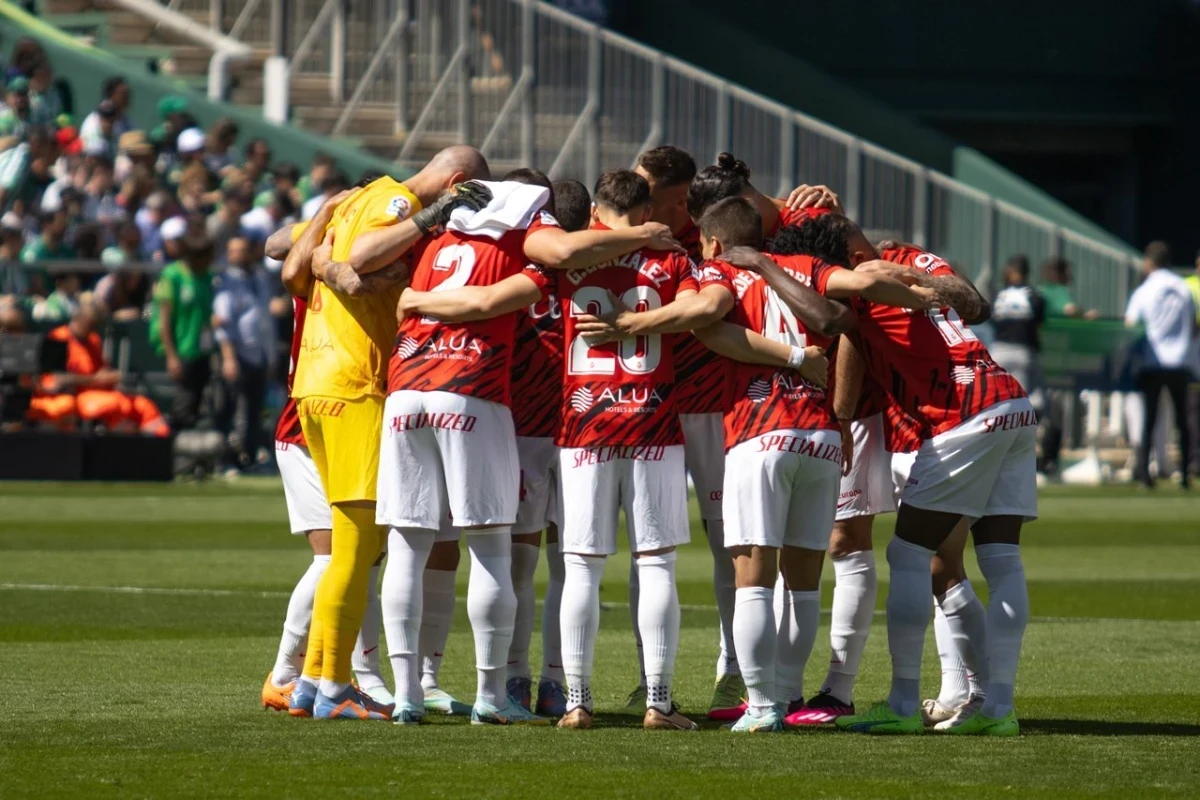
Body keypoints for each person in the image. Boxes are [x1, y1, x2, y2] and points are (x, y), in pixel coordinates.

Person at [379, 167, 685, 727]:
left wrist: (413, 297)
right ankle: (513, 691)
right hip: (527, 410)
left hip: (416, 393)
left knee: (411, 546)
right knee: (523, 555)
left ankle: (410, 693)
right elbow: (515, 284)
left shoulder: (437, 243)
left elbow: (358, 262)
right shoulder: (543, 262)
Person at [278, 145, 492, 722]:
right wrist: (427, 218)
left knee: (348, 549)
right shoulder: (398, 201)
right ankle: (335, 687)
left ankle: (311, 681)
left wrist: (334, 261)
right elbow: (365, 257)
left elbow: (291, 258)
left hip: (314, 385)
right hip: (355, 388)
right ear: (455, 181)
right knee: (355, 548)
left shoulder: (359, 199)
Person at [801, 218, 1034, 738]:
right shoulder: (918, 260)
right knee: (1000, 559)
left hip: (958, 416)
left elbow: (843, 330)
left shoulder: (860, 282)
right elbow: (970, 304)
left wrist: (839, 419)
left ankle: (904, 701)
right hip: (1009, 400)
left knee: (911, 556)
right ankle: (997, 708)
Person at [261, 201, 394, 712]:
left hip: (327, 414)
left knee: (362, 557)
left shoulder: (336, 251)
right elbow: (274, 243)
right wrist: (326, 214)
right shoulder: (334, 247)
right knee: (337, 556)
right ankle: (288, 673)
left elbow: (279, 246)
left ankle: (350, 672)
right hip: (311, 422)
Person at [503, 171, 590, 717]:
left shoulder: (513, 269)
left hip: (527, 429)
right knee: (569, 563)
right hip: (584, 432)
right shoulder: (604, 268)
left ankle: (517, 676)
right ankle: (559, 681)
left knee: (520, 560)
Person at [28, 300, 168, 435]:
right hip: (75, 397)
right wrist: (94, 380)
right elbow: (54, 381)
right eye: (90, 325)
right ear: (78, 320)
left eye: (94, 326)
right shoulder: (58, 338)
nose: (92, 330)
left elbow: (102, 369)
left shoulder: (93, 339)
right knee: (118, 404)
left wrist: (111, 376)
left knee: (143, 404)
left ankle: (161, 444)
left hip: (100, 391)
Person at [1125, 241, 1195, 489]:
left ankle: (1145, 474)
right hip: (1180, 361)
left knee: (1150, 420)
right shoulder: (1183, 288)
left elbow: (1130, 324)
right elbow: (1193, 324)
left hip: (1153, 361)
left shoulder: (1144, 290)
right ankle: (1185, 475)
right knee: (1181, 421)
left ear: (1149, 262)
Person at [213, 237, 276, 473]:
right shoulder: (226, 281)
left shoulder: (260, 278)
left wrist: (270, 357)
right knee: (230, 408)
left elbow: (264, 319)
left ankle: (249, 457)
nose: (236, 256)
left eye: (241, 251)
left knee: (254, 410)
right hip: (236, 354)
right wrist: (228, 358)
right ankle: (226, 459)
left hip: (258, 354)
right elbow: (223, 324)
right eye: (232, 251)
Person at [150, 233, 215, 431]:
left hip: (201, 349)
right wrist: (171, 356)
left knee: (197, 403)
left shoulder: (206, 276)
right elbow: (164, 320)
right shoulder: (172, 276)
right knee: (182, 404)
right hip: (180, 349)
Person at [989, 255, 1046, 413]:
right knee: (1023, 404)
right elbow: (1039, 325)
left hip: (998, 351)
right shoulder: (1035, 296)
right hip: (1023, 351)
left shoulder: (998, 295)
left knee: (997, 401)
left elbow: (992, 321)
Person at [0, 77, 32, 142]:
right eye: (16, 96)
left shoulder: (34, 115)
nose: (20, 99)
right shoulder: (4, 118)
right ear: (7, 98)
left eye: (23, 95)